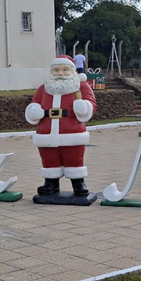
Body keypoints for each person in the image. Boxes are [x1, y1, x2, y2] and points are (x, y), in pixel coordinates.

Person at [25, 55, 97, 197]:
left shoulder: (81, 86)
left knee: (74, 158)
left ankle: (78, 182)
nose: (60, 73)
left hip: (72, 131)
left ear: (73, 71)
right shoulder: (43, 89)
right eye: (56, 70)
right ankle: (51, 183)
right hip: (46, 132)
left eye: (65, 70)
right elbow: (35, 103)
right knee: (49, 158)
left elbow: (91, 103)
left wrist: (83, 107)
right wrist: (35, 110)